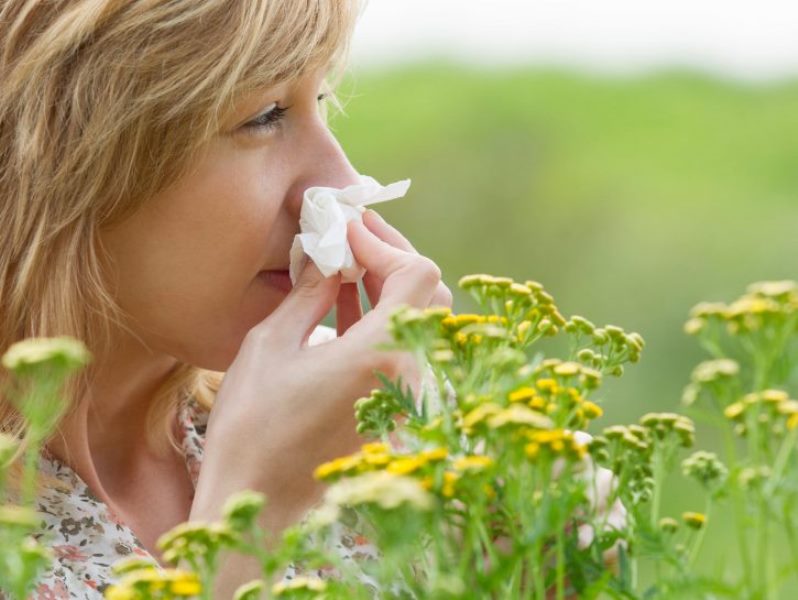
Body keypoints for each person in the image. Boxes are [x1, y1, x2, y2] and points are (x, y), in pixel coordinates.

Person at [0, 0, 453, 597]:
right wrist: (247, 525)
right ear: (70, 163)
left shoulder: (349, 406)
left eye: (320, 103)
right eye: (265, 115)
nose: (342, 184)